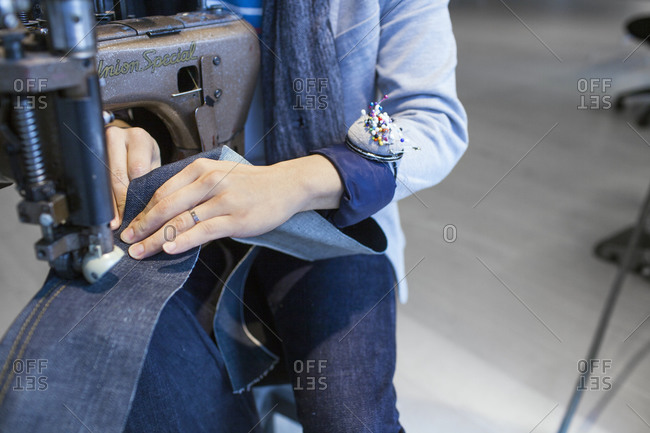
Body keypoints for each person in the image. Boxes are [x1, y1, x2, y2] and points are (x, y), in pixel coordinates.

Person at [107, 0, 468, 431]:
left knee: (350, 422)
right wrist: (112, 122)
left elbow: (432, 120)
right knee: (138, 394)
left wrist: (297, 181)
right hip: (177, 205)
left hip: (326, 220)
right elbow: (78, 73)